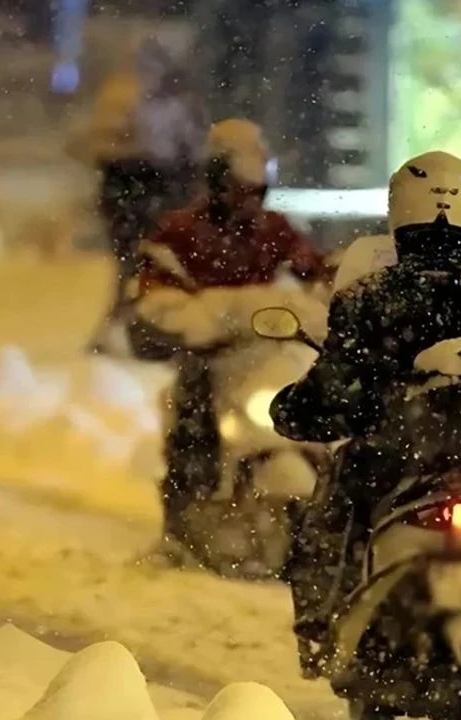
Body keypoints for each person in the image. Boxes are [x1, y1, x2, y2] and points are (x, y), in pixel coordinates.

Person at [269, 151, 461, 673]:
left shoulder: (369, 296)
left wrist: (296, 412)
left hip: (390, 466)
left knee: (325, 525)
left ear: (400, 210)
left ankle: (325, 629)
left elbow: (334, 390)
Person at [128, 117, 333, 555]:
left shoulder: (275, 230)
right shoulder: (180, 231)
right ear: (218, 181)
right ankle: (185, 519)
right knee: (192, 417)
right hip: (213, 357)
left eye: (254, 190)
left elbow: (315, 271)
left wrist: (336, 288)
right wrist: (182, 317)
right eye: (240, 188)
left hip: (268, 352)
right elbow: (153, 289)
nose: (247, 201)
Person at [83, 39, 206, 355]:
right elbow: (190, 151)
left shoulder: (124, 97)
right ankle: (136, 334)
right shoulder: (145, 99)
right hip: (145, 193)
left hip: (140, 193)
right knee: (141, 269)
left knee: (140, 270)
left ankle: (136, 333)